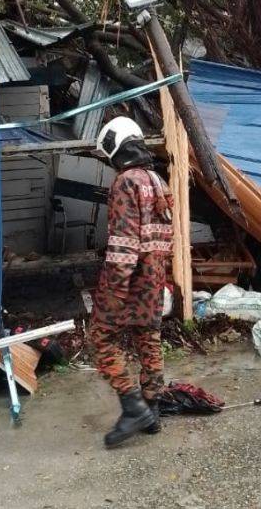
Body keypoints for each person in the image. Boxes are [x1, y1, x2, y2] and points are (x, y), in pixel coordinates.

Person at [91, 116, 174, 449]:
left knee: (100, 338)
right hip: (155, 281)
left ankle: (133, 406)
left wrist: (114, 291)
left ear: (117, 147)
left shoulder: (126, 182)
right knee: (148, 339)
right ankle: (152, 412)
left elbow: (124, 245)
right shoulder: (158, 180)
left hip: (130, 282)